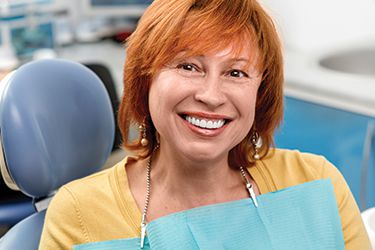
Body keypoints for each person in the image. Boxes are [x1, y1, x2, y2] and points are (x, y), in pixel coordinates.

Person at [39, 0, 371, 249]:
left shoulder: (318, 184)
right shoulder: (80, 216)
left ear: (260, 95)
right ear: (145, 79)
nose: (212, 96)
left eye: (236, 73)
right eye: (188, 66)